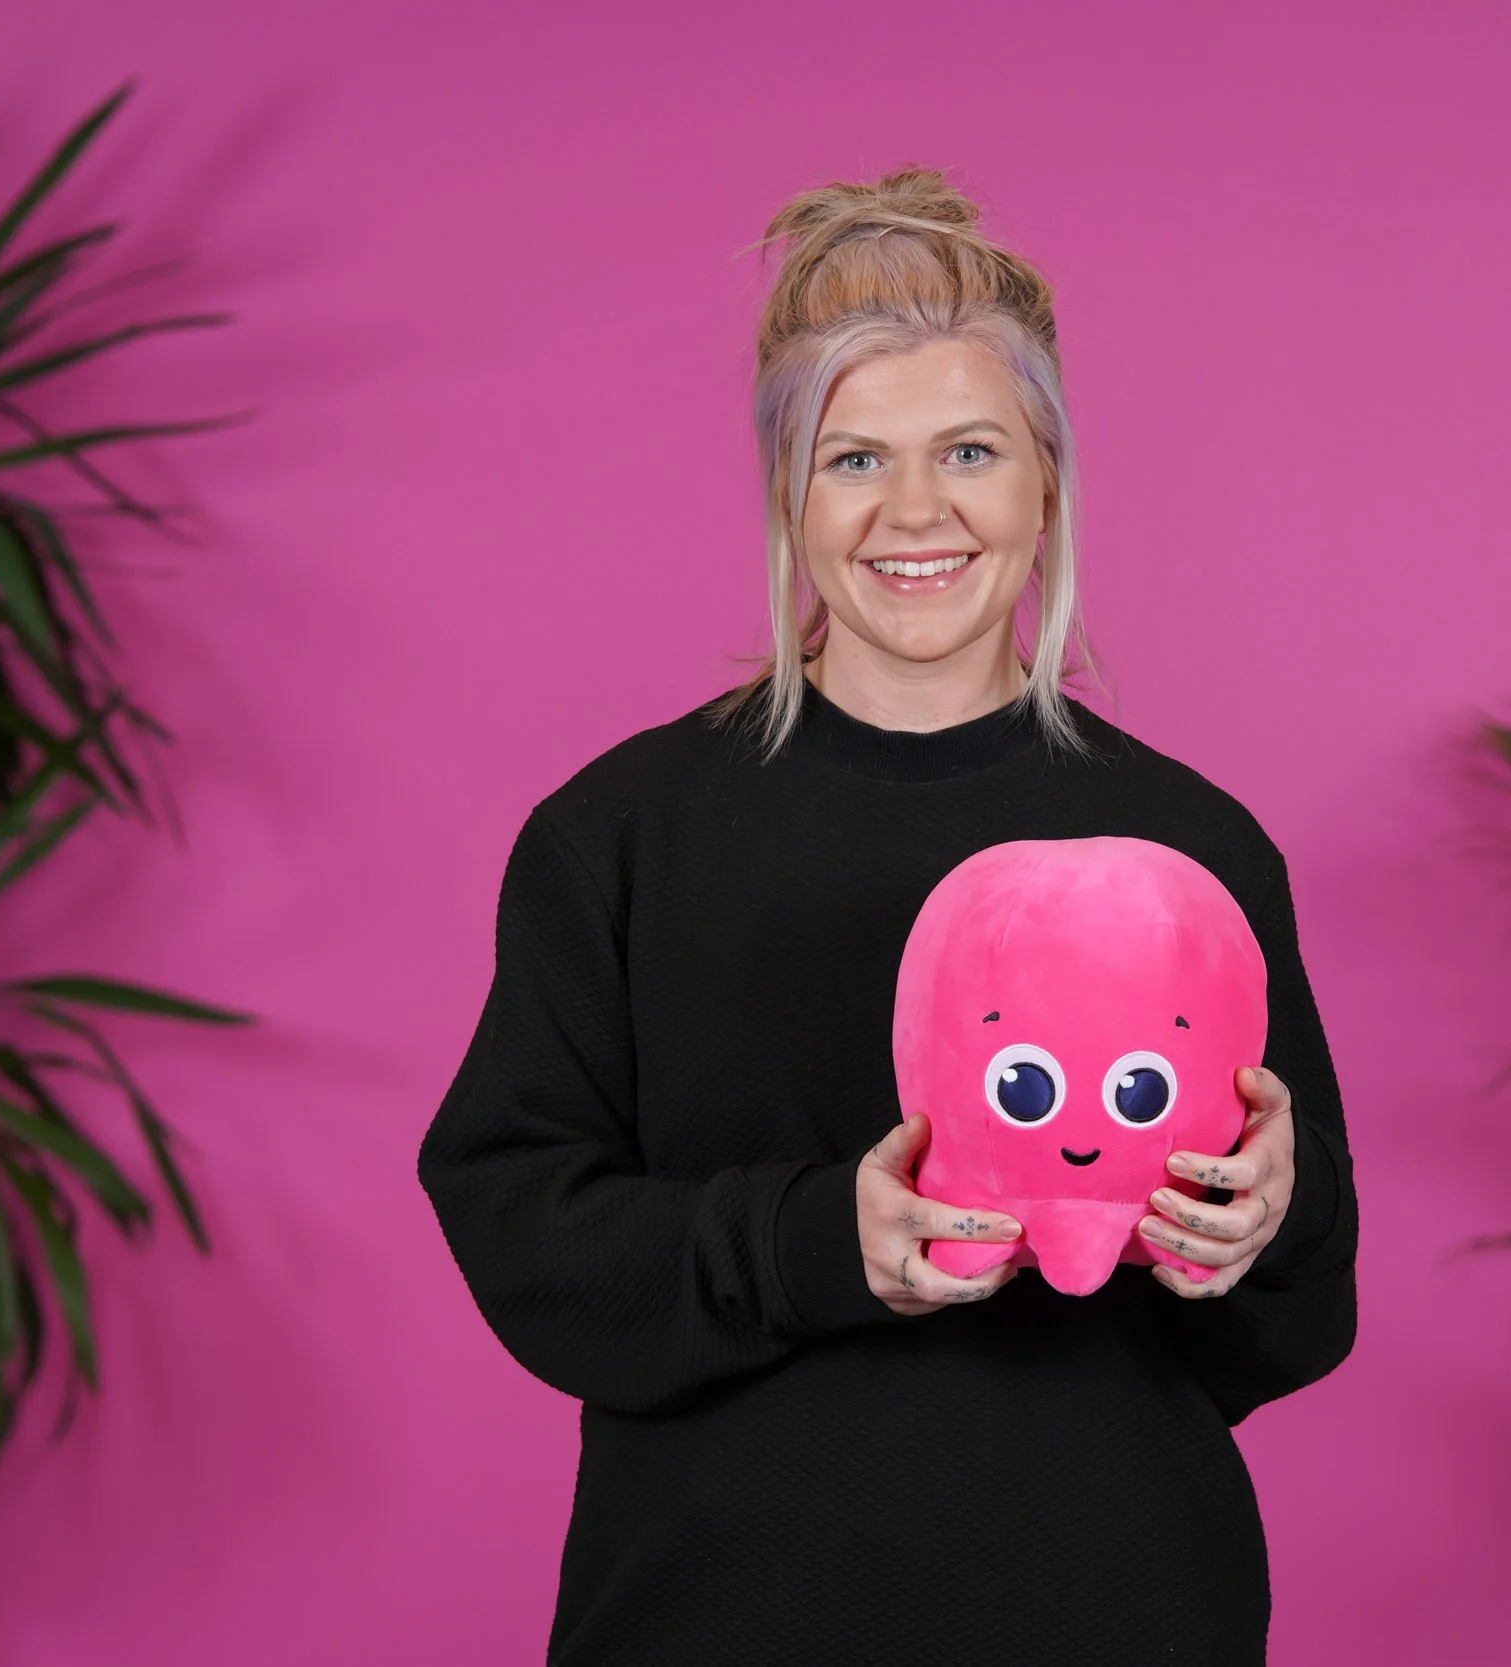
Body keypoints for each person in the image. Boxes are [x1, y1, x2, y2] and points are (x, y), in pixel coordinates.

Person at [417, 165, 1359, 1667]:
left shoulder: (1191, 850)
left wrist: (1259, 1223)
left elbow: (1295, 1326)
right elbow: (527, 1237)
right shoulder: (620, 838)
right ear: (788, 490)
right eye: (853, 458)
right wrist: (814, 1240)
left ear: (1047, 474)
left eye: (969, 449)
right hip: (710, 1622)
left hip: (1118, 1614)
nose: (914, 512)